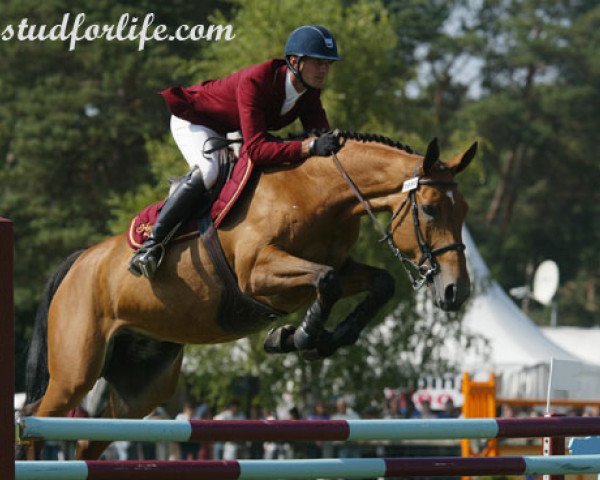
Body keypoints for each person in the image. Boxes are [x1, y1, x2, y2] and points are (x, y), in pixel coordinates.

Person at [129, 25, 343, 278]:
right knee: (209, 171)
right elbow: (257, 150)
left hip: (231, 130)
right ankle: (151, 246)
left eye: (328, 63)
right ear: (295, 61)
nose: (324, 70)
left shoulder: (309, 93)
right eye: (318, 62)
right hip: (196, 120)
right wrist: (306, 147)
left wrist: (336, 143)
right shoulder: (257, 80)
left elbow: (320, 135)